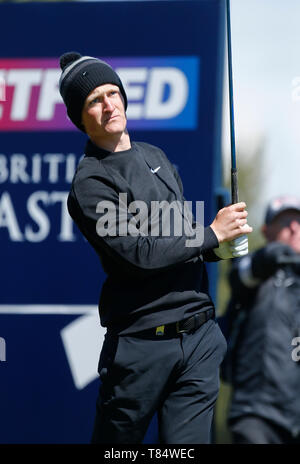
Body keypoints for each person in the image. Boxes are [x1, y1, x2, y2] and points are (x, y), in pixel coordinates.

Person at [58, 51, 252, 444]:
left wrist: (218, 249)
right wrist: (212, 234)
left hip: (199, 337)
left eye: (113, 93)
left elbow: (178, 236)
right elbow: (140, 253)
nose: (109, 104)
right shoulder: (90, 182)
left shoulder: (155, 156)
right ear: (80, 118)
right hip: (141, 344)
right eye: (95, 100)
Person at [222, 195, 300, 444]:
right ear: (267, 231)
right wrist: (276, 255)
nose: (294, 227)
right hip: (256, 411)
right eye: (285, 221)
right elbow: (241, 275)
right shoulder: (257, 270)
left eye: (298, 221)